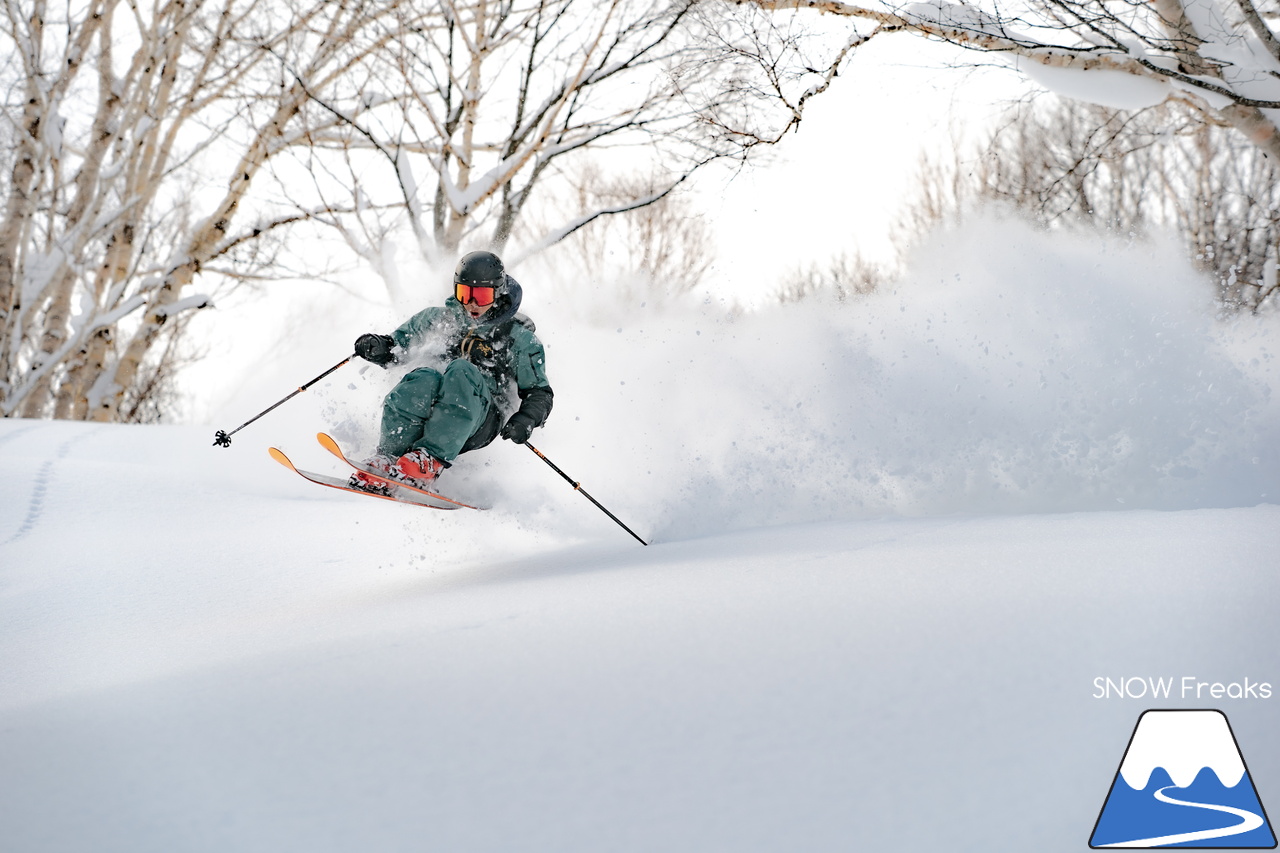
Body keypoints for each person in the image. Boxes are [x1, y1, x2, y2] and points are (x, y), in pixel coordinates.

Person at [349, 250, 553, 493]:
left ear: (498, 293)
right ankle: (388, 457)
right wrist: (379, 347)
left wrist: (526, 419)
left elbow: (539, 392)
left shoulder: (517, 338)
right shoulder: (439, 319)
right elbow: (397, 348)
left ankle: (429, 461)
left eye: (482, 295)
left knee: (461, 369)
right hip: (436, 407)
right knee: (424, 376)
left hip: (482, 418)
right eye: (465, 294)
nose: (472, 303)